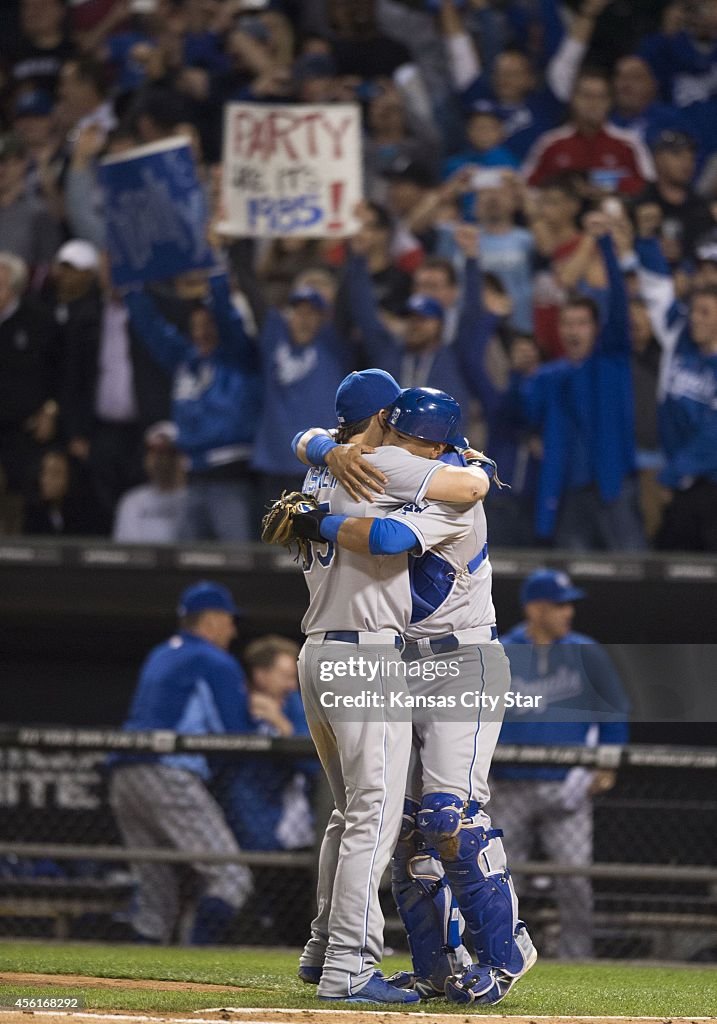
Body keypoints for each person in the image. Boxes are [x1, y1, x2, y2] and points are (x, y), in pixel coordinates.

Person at [293, 386, 537, 1005]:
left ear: (432, 443)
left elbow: (386, 541)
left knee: (446, 818)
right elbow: (323, 451)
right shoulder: (392, 471)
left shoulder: (445, 480)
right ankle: (431, 968)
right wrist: (320, 449)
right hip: (393, 662)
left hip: (464, 660)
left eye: (409, 439)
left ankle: (507, 955)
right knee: (397, 829)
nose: (398, 449)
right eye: (393, 433)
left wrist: (310, 508)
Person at [492, 569, 629, 959]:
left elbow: (615, 710)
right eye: (559, 604)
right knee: (501, 877)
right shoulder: (502, 649)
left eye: (569, 604)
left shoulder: (586, 651)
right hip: (508, 783)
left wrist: (606, 764)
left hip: (568, 783)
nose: (568, 612)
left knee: (574, 879)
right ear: (535, 608)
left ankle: (577, 955)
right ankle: (498, 953)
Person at [108, 581, 254, 945]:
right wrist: (266, 718)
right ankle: (196, 958)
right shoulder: (212, 659)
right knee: (231, 878)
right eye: (229, 620)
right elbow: (236, 732)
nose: (233, 630)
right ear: (211, 621)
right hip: (167, 772)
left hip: (124, 776)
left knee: (155, 893)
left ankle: (139, 985)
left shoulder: (162, 652)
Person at [510, 215, 646, 549]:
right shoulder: (548, 375)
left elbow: (617, 307)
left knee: (632, 578)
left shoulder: (611, 360)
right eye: (567, 324)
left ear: (596, 329)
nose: (573, 330)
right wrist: (519, 373)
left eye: (582, 323)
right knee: (574, 581)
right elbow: (523, 414)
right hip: (568, 494)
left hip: (614, 489)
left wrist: (605, 248)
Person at [125, 272, 261, 541]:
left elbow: (228, 317)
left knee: (239, 563)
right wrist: (131, 288)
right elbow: (152, 328)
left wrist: (216, 277)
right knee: (188, 563)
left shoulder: (240, 357)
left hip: (231, 477)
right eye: (196, 325)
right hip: (193, 477)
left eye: (209, 324)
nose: (202, 332)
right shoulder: (186, 361)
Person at [636, 236, 717, 550]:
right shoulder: (679, 342)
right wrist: (647, 241)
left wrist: (672, 474)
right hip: (680, 485)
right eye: (695, 310)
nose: (695, 318)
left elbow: (713, 435)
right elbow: (657, 292)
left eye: (705, 313)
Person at [216, 635, 315, 853]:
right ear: (260, 675)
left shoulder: (295, 704)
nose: (292, 685)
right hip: (242, 811)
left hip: (291, 821)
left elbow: (315, 765)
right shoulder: (235, 703)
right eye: (286, 677)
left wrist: (281, 723)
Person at [523, 69, 655, 196]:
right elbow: (528, 186)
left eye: (600, 97)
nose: (593, 103)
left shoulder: (629, 143)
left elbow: (649, 188)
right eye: (587, 96)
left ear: (609, 102)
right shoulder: (550, 142)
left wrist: (610, 186)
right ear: (573, 99)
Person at [112, 421, 187, 544]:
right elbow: (126, 552)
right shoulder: (132, 501)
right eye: (156, 453)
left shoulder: (197, 500)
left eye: (170, 453)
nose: (162, 460)